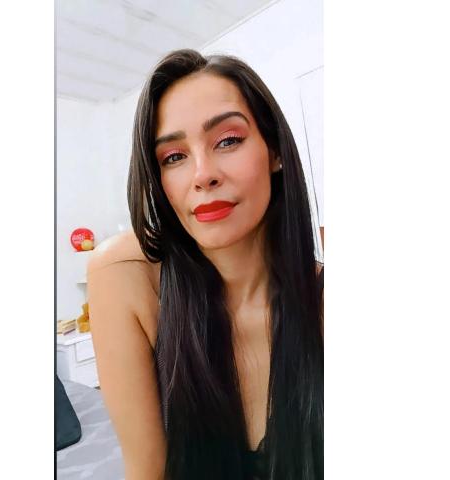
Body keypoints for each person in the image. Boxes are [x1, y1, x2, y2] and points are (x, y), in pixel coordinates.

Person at [87, 49, 323, 480]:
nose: (202, 175)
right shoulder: (125, 276)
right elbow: (146, 471)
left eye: (227, 140)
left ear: (275, 151)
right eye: (173, 157)